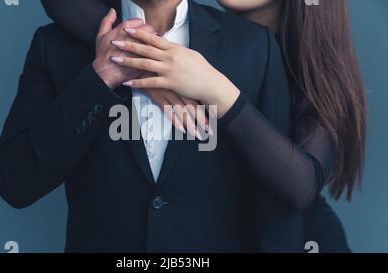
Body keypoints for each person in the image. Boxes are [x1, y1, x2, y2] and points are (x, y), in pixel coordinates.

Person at [41, 0, 367, 252]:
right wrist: (141, 65)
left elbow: (301, 186)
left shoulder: (314, 73)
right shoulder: (197, 33)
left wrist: (219, 92)